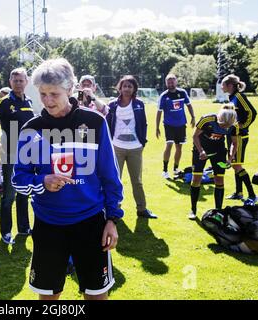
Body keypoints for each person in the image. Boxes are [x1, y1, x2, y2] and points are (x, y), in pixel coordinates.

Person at [12, 58, 124, 300]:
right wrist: (42, 181)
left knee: (96, 295)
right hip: (48, 223)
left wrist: (113, 218)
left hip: (91, 222)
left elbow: (110, 176)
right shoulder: (31, 129)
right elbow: (18, 179)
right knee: (49, 297)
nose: (48, 101)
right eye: (43, 94)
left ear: (70, 89)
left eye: (54, 94)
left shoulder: (95, 122)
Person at [0, 68, 34, 245]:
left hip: (27, 155)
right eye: (15, 80)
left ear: (27, 82)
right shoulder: (3, 102)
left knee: (24, 193)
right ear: (10, 82)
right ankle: (6, 231)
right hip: (10, 154)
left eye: (21, 80)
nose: (18, 83)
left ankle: (24, 228)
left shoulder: (30, 101)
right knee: (9, 195)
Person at [107, 75, 157, 219]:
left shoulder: (139, 104)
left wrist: (142, 143)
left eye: (130, 86)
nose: (127, 89)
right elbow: (107, 124)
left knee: (137, 181)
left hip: (135, 148)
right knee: (115, 180)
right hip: (117, 148)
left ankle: (142, 209)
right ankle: (114, 209)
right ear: (120, 88)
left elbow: (144, 124)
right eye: (124, 86)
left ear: (134, 88)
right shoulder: (112, 105)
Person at [189, 105, 239, 220]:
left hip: (219, 150)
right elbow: (195, 136)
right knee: (196, 178)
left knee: (219, 179)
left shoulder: (233, 126)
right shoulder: (207, 119)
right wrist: (201, 151)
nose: (225, 128)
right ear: (219, 119)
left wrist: (230, 158)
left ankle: (218, 211)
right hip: (200, 148)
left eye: (228, 126)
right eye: (223, 126)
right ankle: (193, 209)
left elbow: (234, 143)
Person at [221, 74, 257, 205]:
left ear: (230, 85)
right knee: (235, 164)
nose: (221, 86)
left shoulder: (240, 96)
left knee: (237, 165)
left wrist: (243, 126)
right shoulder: (232, 97)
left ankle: (252, 195)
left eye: (223, 84)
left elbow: (252, 112)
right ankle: (239, 192)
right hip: (232, 134)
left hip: (240, 136)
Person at [156, 74, 196, 179]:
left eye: (172, 81)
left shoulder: (182, 93)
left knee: (179, 147)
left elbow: (189, 105)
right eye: (169, 82)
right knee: (169, 144)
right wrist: (157, 127)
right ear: (166, 83)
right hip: (169, 125)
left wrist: (193, 117)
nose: (171, 83)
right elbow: (159, 112)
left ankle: (175, 169)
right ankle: (165, 170)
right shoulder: (164, 96)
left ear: (176, 82)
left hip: (181, 124)